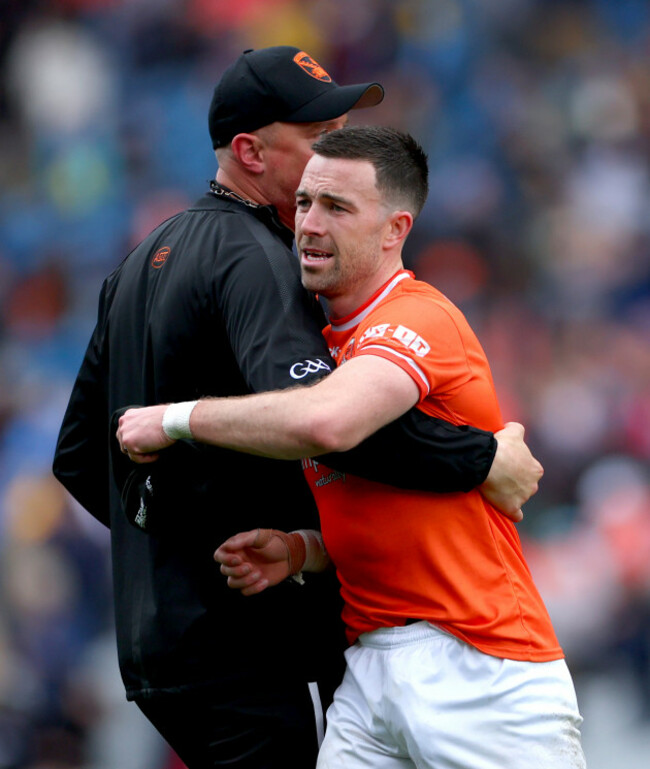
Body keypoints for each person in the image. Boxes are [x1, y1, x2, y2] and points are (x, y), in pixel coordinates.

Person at [53, 46, 540, 769]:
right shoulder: (256, 256)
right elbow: (329, 420)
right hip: (258, 647)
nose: (336, 150)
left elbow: (78, 456)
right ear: (249, 151)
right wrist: (480, 457)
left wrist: (174, 548)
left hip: (160, 649)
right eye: (318, 138)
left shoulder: (139, 259)